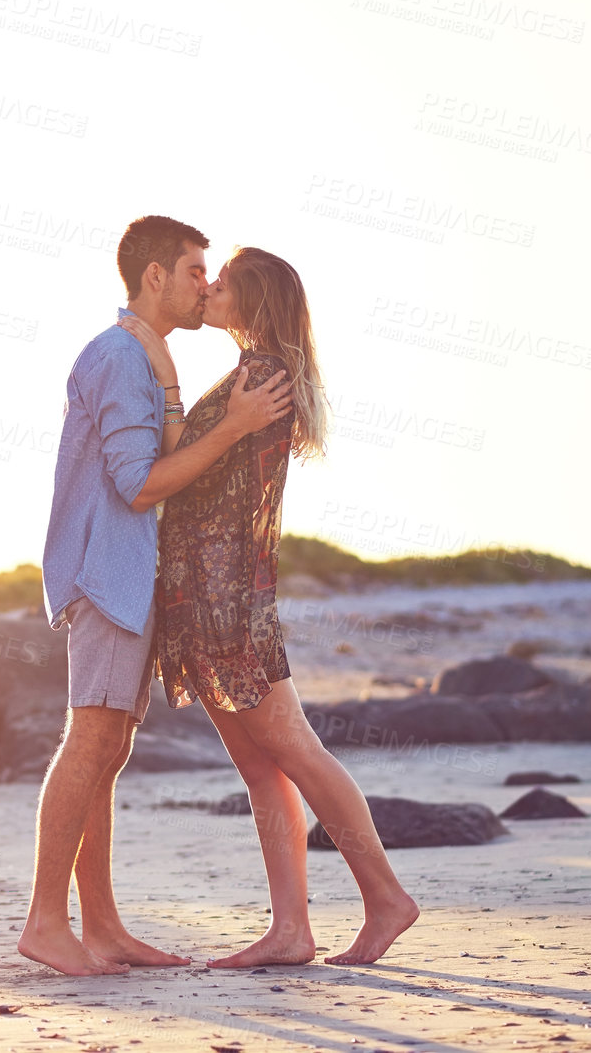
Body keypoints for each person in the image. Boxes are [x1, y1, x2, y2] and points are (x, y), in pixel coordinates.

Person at [123, 246, 419, 967]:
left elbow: (173, 466)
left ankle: (384, 897)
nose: (209, 288)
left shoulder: (259, 374)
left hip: (227, 601)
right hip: (206, 597)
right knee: (263, 769)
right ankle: (290, 929)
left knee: (294, 751)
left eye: (221, 282)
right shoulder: (252, 371)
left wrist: (160, 369)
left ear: (251, 301)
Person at [19, 218, 294, 976]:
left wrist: (175, 384)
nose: (205, 284)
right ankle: (46, 920)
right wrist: (236, 424)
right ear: (154, 278)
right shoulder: (116, 356)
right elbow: (139, 486)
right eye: (194, 270)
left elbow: (159, 455)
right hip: (105, 572)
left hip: (130, 576)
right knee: (90, 739)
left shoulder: (147, 356)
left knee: (109, 748)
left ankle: (101, 927)